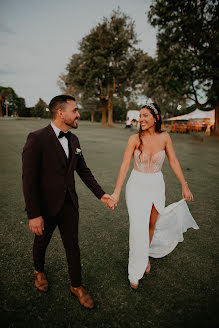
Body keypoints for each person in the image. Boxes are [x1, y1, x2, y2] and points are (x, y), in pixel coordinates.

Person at [22, 95, 114, 309]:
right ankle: (39, 271)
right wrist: (33, 214)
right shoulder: (36, 139)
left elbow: (83, 170)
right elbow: (28, 180)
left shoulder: (73, 140)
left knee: (73, 246)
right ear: (60, 113)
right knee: (41, 243)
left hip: (69, 205)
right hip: (44, 207)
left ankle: (76, 285)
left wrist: (101, 194)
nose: (78, 114)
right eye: (75, 110)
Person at [109, 103, 199, 289]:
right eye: (140, 116)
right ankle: (135, 270)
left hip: (157, 185)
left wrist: (184, 185)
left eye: (145, 116)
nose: (141, 119)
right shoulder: (134, 139)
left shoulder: (165, 137)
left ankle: (145, 256)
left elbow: (173, 160)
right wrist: (116, 192)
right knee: (137, 227)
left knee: (151, 223)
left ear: (156, 118)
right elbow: (125, 165)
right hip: (137, 185)